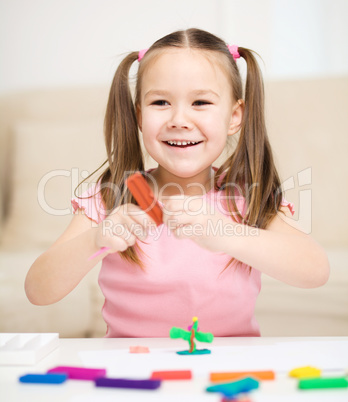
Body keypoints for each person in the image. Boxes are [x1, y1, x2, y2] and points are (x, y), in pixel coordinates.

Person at [25, 28, 330, 337]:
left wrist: (227, 232)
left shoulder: (245, 197)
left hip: (229, 371)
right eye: (160, 102)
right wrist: (95, 240)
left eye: (200, 102)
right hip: (132, 369)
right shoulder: (113, 197)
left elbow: (315, 271)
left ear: (235, 116)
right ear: (139, 116)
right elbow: (38, 291)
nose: (179, 120)